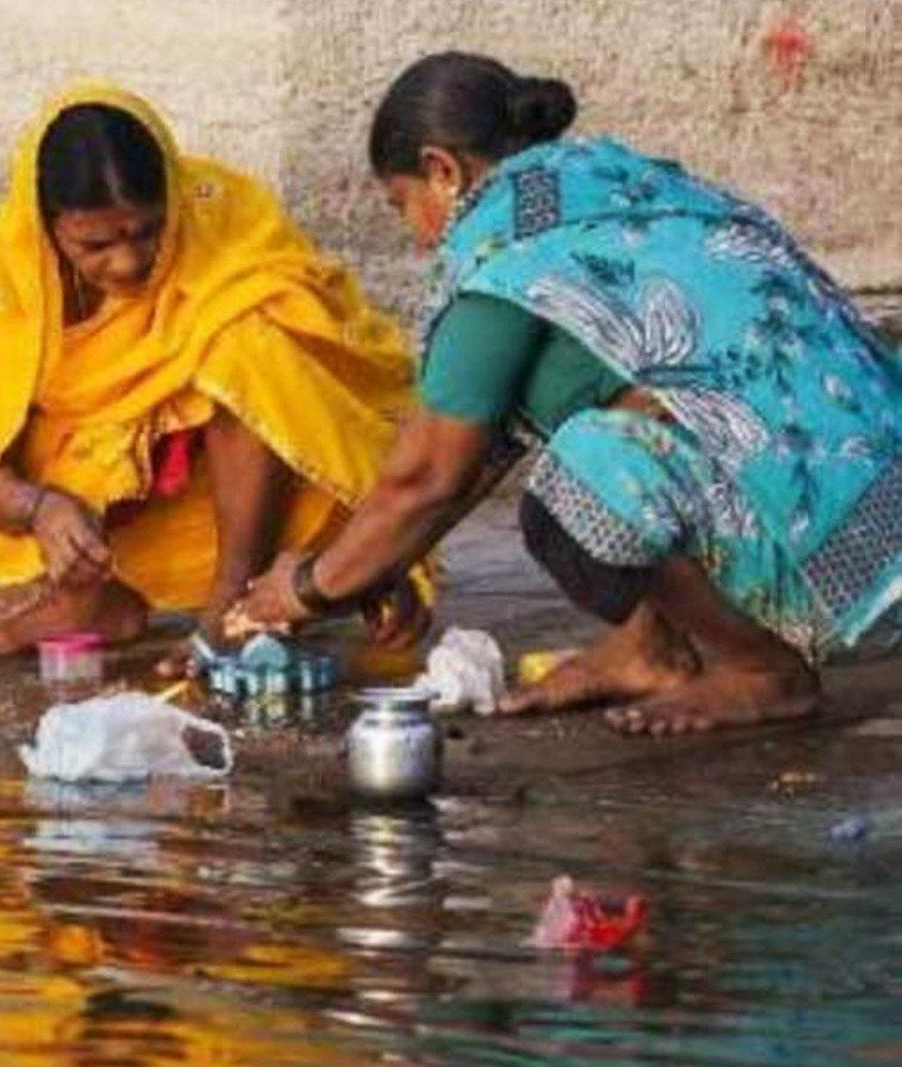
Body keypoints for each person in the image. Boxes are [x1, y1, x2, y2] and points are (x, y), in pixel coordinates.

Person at [230, 53, 902, 735]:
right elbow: (473, 452)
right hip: (871, 484)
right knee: (609, 431)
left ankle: (762, 671)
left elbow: (427, 474)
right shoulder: (601, 183)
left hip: (836, 538)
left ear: (442, 168)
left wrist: (310, 584)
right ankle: (649, 648)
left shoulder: (506, 249)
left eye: (402, 205)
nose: (419, 234)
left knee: (580, 486)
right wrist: (371, 568)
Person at [0, 83, 428, 660]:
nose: (126, 262)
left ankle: (235, 603)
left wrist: (370, 554)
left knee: (244, 343)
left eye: (147, 232)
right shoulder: (9, 261)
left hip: (216, 485)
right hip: (72, 482)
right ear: (49, 227)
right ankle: (83, 595)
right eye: (94, 244)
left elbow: (309, 374)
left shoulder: (221, 215)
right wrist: (40, 508)